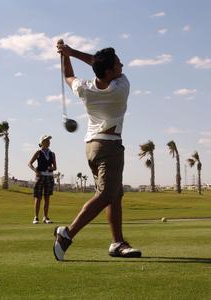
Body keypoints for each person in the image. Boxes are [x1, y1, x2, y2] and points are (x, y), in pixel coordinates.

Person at [53, 40, 141, 260]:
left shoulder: (84, 88)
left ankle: (117, 243)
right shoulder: (121, 86)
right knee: (105, 195)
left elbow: (69, 76)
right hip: (109, 146)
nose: (122, 66)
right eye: (118, 63)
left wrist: (66, 56)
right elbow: (95, 61)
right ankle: (67, 234)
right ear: (110, 71)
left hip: (91, 147)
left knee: (114, 195)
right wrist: (72, 52)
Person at [28, 135, 57, 224]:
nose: (48, 142)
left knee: (47, 198)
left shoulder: (52, 154)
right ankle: (36, 217)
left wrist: (51, 168)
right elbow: (30, 163)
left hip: (49, 177)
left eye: (49, 140)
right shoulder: (38, 152)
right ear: (42, 142)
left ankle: (45, 217)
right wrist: (36, 170)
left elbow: (55, 167)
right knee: (38, 197)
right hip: (40, 177)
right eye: (46, 140)